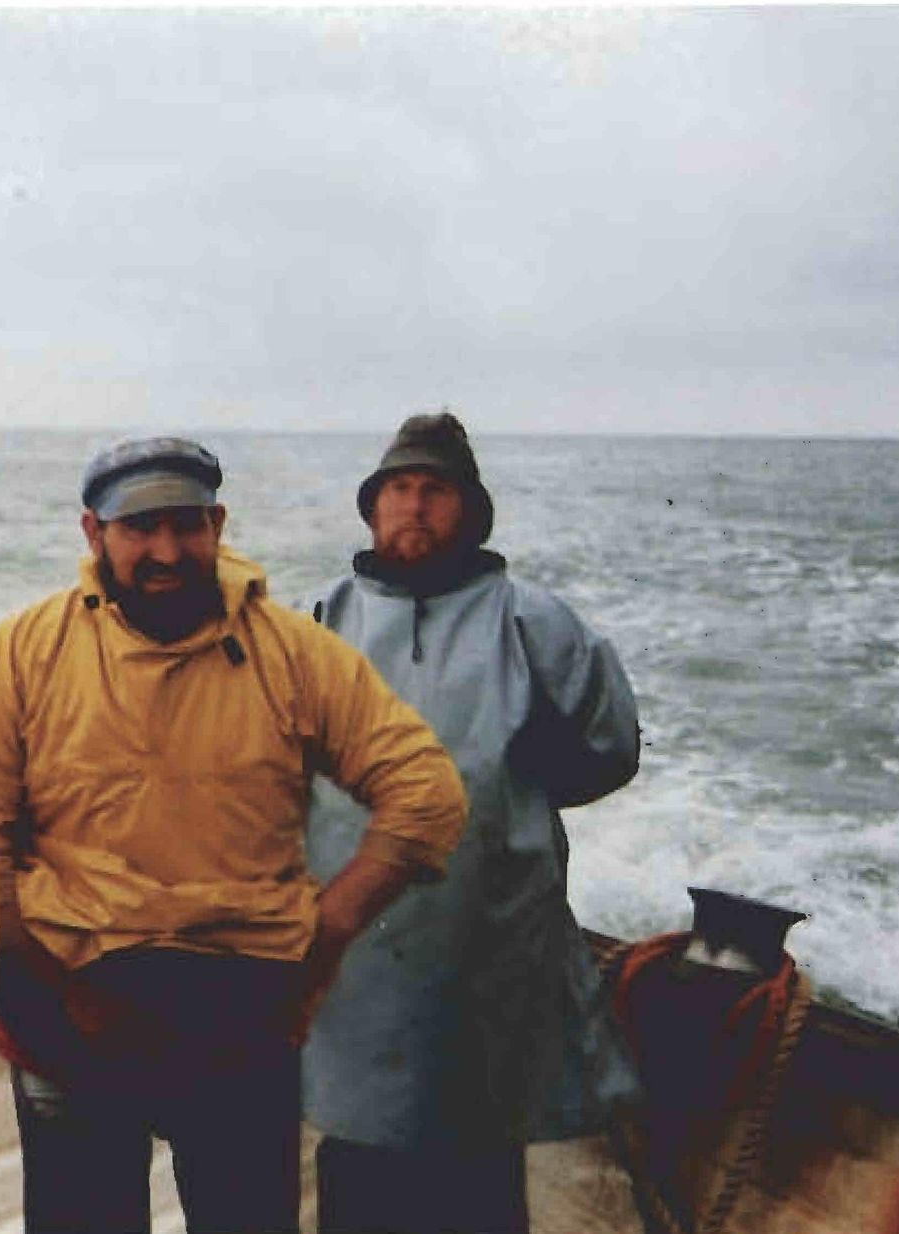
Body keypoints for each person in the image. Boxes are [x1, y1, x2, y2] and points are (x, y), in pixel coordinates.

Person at [0, 436, 467, 1234]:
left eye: (186, 525)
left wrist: (330, 931)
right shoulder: (25, 650)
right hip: (70, 999)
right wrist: (45, 987)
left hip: (241, 1007)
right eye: (139, 527)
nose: (166, 551)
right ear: (94, 533)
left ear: (217, 525)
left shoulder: (291, 652)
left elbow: (426, 792)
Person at [301, 411, 643, 1234]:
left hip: (490, 942)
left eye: (436, 490)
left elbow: (609, 751)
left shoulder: (534, 623)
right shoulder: (318, 620)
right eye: (397, 488)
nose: (414, 506)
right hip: (356, 947)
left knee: (480, 1159)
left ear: (472, 512)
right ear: (372, 508)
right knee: (359, 1151)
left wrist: (508, 789)